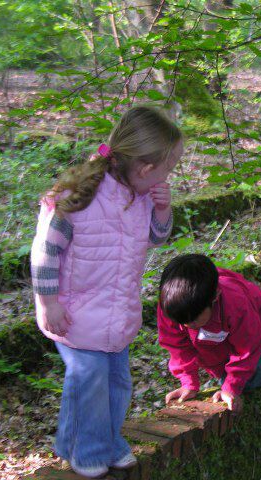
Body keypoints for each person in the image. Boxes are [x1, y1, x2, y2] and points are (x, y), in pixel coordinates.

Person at [31, 106, 182, 478]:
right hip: (75, 315)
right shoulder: (77, 198)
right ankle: (87, 450)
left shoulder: (140, 198)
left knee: (117, 382)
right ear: (146, 169)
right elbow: (45, 253)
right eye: (168, 168)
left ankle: (103, 441)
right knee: (90, 380)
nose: (168, 176)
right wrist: (48, 303)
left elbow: (156, 238)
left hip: (117, 314)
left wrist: (163, 209)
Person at [157, 254, 261, 413]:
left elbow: (247, 349)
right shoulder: (172, 306)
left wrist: (231, 388)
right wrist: (188, 383)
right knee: (222, 373)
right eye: (181, 322)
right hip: (218, 337)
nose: (186, 325)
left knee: (245, 381)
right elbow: (177, 348)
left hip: (255, 316)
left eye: (193, 320)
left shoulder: (236, 306)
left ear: (215, 297)